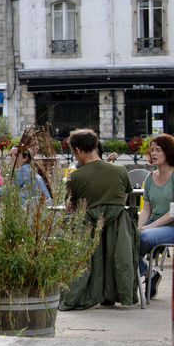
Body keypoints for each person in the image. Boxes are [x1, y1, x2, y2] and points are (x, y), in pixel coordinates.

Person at [59, 129, 138, 310]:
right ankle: (116, 293)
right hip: (120, 229)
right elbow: (125, 196)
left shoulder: (75, 177)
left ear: (77, 150)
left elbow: (71, 207)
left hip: (87, 230)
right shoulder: (120, 170)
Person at [137, 133, 174, 298]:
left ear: (168, 152)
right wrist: (138, 227)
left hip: (171, 226)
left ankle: (140, 272)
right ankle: (148, 273)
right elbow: (146, 210)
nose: (153, 153)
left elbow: (173, 212)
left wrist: (148, 227)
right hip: (154, 223)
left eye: (158, 150)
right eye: (151, 150)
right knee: (125, 240)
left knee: (143, 238)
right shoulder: (150, 178)